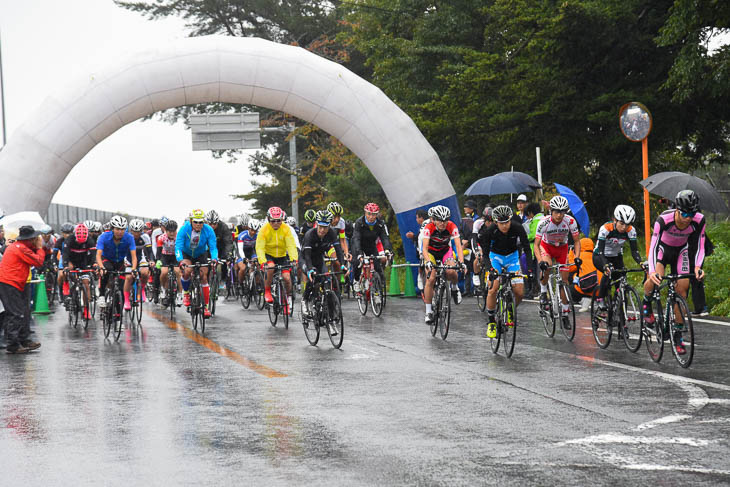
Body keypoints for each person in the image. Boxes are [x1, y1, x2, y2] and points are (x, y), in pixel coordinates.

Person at [643, 190, 706, 355]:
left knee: (682, 290)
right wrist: (652, 271)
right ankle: (646, 302)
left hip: (681, 252)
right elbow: (654, 247)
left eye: (692, 213)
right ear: (677, 209)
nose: (688, 218)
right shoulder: (664, 219)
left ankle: (677, 335)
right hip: (663, 251)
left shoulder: (699, 220)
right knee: (655, 279)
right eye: (685, 213)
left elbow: (700, 245)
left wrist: (697, 266)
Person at [478, 205, 532, 338]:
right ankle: (491, 321)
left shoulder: (517, 227)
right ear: (496, 222)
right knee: (493, 287)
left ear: (510, 220)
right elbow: (485, 254)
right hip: (495, 257)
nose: (505, 226)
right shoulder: (490, 231)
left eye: (507, 222)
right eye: (501, 223)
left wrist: (529, 270)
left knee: (519, 291)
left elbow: (527, 248)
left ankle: (509, 307)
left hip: (512, 257)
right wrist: (490, 269)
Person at [534, 195, 582, 330]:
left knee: (565, 281)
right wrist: (540, 261)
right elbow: (536, 245)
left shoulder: (570, 221)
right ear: (551, 211)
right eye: (556, 212)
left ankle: (565, 314)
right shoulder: (543, 222)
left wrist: (577, 257)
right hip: (546, 246)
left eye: (562, 212)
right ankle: (543, 292)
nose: (559, 215)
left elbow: (577, 241)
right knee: (547, 266)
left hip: (562, 248)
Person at [0, 226, 45, 354]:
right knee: (15, 313)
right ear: (30, 239)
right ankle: (13, 344)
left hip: (15, 282)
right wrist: (40, 248)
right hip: (9, 282)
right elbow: (38, 261)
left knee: (24, 311)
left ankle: (24, 339)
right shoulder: (21, 248)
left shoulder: (20, 246)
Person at [301, 210, 346, 334]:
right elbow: (308, 257)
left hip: (319, 258)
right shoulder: (310, 235)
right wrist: (310, 270)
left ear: (329, 226)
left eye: (325, 227)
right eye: (320, 227)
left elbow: (338, 250)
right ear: (317, 224)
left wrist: (342, 266)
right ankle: (305, 300)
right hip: (306, 258)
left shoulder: (331, 234)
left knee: (326, 281)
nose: (322, 230)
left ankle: (330, 320)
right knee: (313, 277)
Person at [592, 205, 643, 311]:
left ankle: (617, 303)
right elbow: (600, 251)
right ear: (615, 220)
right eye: (621, 223)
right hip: (600, 256)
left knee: (622, 279)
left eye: (627, 224)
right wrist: (605, 264)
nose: (624, 227)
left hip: (616, 256)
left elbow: (634, 251)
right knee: (608, 271)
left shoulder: (631, 231)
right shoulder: (605, 228)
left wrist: (641, 263)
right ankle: (600, 298)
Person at [421, 205, 467, 324]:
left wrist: (462, 262)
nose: (443, 223)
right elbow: (424, 248)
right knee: (431, 278)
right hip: (430, 252)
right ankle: (428, 311)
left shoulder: (452, 226)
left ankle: (454, 288)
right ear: (434, 220)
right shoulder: (428, 227)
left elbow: (458, 246)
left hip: (445, 251)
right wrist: (429, 262)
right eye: (440, 220)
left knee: (451, 271)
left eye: (445, 220)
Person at [176, 209, 218, 318]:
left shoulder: (208, 230)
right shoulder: (184, 229)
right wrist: (180, 261)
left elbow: (213, 247)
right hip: (187, 254)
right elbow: (178, 247)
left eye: (201, 222)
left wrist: (214, 259)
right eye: (196, 222)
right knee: (187, 271)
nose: (198, 224)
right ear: (191, 221)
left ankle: (205, 307)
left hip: (200, 254)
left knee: (204, 277)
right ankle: (186, 293)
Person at [256, 206, 299, 306]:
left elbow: (291, 245)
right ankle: (267, 291)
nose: (276, 223)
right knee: (270, 268)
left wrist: (294, 259)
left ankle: (286, 299)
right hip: (269, 255)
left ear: (282, 219)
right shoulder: (264, 230)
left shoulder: (286, 228)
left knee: (287, 278)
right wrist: (262, 262)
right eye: (273, 221)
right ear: (268, 220)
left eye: (278, 221)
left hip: (282, 256)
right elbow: (260, 247)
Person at [96, 215, 138, 311]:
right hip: (106, 259)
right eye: (117, 229)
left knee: (122, 285)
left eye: (122, 229)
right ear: (112, 228)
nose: (120, 232)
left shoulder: (129, 238)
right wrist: (101, 267)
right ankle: (102, 295)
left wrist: (134, 269)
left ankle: (118, 311)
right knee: (107, 270)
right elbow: (98, 255)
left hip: (120, 261)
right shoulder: (104, 237)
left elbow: (134, 256)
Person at [351, 203, 393, 292]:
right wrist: (359, 253)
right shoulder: (359, 222)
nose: (371, 217)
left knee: (377, 265)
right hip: (358, 245)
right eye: (369, 214)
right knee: (356, 263)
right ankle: (356, 280)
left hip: (370, 245)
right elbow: (356, 238)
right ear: (365, 213)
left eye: (374, 214)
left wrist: (387, 250)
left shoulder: (380, 224)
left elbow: (384, 238)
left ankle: (378, 288)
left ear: (377, 215)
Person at [61, 223, 95, 318]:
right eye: (78, 242)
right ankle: (69, 290)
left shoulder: (90, 241)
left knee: (86, 284)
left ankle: (86, 308)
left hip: (83, 262)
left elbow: (93, 255)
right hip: (72, 261)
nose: (80, 244)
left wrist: (94, 264)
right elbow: (65, 255)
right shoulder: (69, 240)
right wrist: (65, 266)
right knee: (71, 273)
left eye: (82, 242)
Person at [567, 237, 603, 312]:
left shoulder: (579, 256)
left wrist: (571, 252)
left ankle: (582, 299)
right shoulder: (597, 256)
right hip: (599, 289)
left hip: (586, 287)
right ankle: (596, 301)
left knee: (568, 289)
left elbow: (570, 268)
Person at [128, 219, 154, 306]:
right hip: (128, 257)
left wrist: (151, 260)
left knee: (145, 272)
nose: (136, 233)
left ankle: (142, 288)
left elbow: (149, 251)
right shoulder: (126, 237)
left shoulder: (145, 237)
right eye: (134, 231)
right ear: (131, 230)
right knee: (128, 276)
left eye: (138, 231)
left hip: (141, 257)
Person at [156, 219, 181, 307]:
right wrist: (158, 260)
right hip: (165, 256)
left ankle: (180, 295)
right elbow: (159, 251)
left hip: (175, 256)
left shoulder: (178, 237)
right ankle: (163, 289)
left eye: (173, 231)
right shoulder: (161, 238)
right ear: (165, 231)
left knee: (178, 272)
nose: (171, 233)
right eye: (169, 231)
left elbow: (181, 249)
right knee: (164, 272)